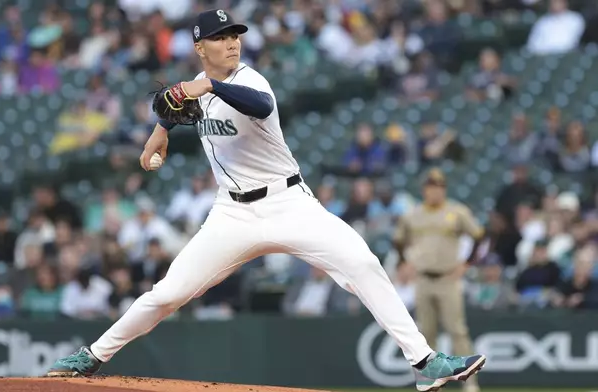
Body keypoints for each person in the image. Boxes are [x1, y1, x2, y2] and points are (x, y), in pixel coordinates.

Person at [48, 10, 485, 391]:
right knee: (168, 294)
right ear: (200, 47)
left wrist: (207, 90)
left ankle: (426, 364)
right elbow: (173, 105)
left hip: (288, 203)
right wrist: (159, 133)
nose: (232, 42)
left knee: (362, 263)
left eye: (235, 34)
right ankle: (92, 355)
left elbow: (257, 105)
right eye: (220, 37)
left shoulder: (248, 79)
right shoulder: (198, 85)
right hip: (231, 213)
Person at [394, 168, 485, 392]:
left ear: (444, 189)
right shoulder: (412, 214)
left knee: (457, 330)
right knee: (426, 334)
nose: (435, 191)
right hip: (422, 278)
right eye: (431, 186)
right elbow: (398, 240)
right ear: (424, 189)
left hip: (448, 278)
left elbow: (480, 237)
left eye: (439, 186)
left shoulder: (457, 211)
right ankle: (433, 383)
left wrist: (466, 264)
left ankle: (470, 384)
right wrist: (403, 261)